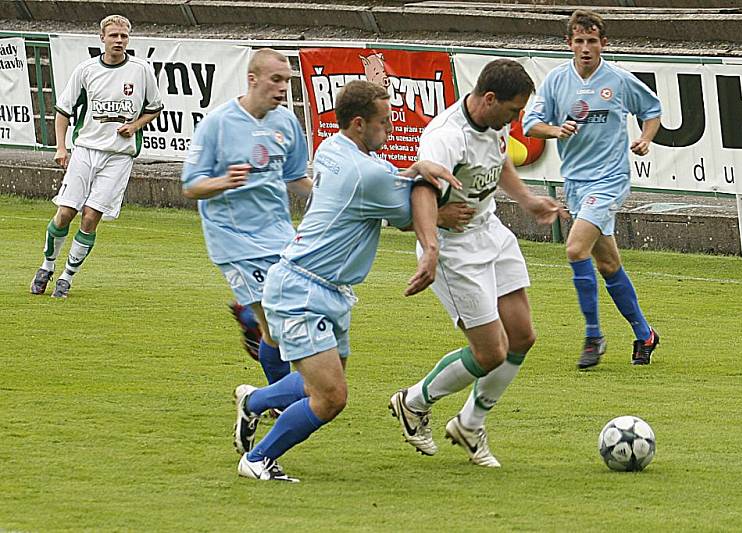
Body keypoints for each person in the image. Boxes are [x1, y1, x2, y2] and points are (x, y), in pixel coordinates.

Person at [232, 80, 459, 482]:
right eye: (385, 123)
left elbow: (392, 180)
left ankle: (253, 400)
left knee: (312, 383)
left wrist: (416, 171)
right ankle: (258, 459)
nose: (390, 130)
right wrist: (430, 201)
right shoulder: (363, 172)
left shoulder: (334, 148)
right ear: (359, 123)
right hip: (303, 289)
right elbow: (412, 207)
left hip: (326, 289)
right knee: (331, 397)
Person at [389, 59, 563, 468]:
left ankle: (470, 423)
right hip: (454, 250)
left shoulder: (494, 123)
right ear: (489, 98)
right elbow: (421, 190)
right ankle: (412, 402)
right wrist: (431, 247)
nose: (516, 119)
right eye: (513, 110)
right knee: (490, 353)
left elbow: (499, 162)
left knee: (521, 337)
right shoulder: (445, 137)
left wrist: (528, 200)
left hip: (491, 232)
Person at [523, 9, 662, 369]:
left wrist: (645, 139)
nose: (586, 47)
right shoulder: (556, 81)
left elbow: (652, 110)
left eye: (592, 41)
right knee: (608, 262)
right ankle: (645, 334)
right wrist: (556, 130)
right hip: (576, 183)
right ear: (569, 43)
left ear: (603, 43)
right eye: (580, 41)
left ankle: (593, 335)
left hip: (609, 180)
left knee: (574, 249)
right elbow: (531, 124)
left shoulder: (617, 80)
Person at [182, 49, 312, 387]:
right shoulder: (217, 124)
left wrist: (335, 198)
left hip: (280, 234)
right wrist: (224, 181)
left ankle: (250, 321)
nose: (283, 88)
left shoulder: (286, 123)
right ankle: (277, 400)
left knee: (297, 314)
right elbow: (191, 186)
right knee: (278, 326)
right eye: (276, 79)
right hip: (234, 240)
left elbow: (296, 177)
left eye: (287, 81)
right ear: (252, 79)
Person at [29, 15, 163, 298]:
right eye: (113, 36)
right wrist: (61, 148)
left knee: (90, 218)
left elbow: (154, 107)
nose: (119, 41)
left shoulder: (141, 70)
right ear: (102, 38)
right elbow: (63, 111)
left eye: (123, 36)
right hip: (86, 151)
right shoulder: (86, 70)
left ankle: (67, 277)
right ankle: (46, 266)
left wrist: (135, 125)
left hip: (118, 158)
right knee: (65, 213)